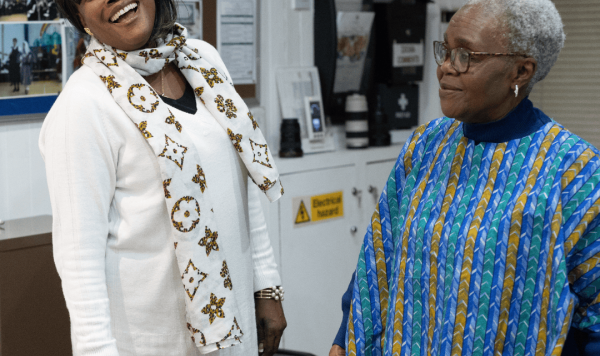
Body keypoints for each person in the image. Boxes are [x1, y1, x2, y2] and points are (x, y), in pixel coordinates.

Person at [330, 0, 600, 355]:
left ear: (520, 71)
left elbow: (594, 313)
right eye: (445, 50)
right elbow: (378, 257)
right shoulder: (426, 146)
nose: (445, 68)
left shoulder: (573, 172)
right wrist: (343, 340)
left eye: (466, 55)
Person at [39, 0, 286, 355]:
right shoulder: (83, 104)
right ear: (80, 17)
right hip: (153, 340)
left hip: (235, 325)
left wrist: (266, 285)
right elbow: (79, 256)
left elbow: (239, 181)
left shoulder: (203, 60)